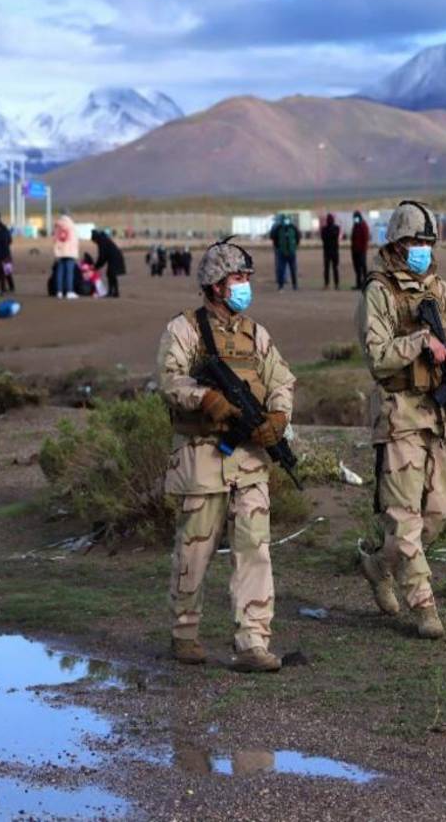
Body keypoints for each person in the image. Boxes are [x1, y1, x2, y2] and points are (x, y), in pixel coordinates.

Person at [156, 239, 296, 673]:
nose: (244, 287)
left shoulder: (256, 333)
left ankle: (253, 641)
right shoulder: (184, 330)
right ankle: (184, 632)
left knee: (255, 548)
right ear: (215, 285)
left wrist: (278, 415)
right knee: (194, 550)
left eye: (247, 279)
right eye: (237, 279)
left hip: (250, 462)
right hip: (201, 461)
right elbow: (169, 380)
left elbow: (281, 378)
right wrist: (206, 399)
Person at [354, 201, 446, 640]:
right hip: (400, 416)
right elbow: (377, 356)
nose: (423, 250)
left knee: (436, 515)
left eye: (428, 243)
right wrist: (419, 343)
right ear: (397, 244)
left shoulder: (440, 291)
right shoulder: (379, 292)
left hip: (443, 417)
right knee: (405, 518)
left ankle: (377, 566)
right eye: (415, 242)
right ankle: (424, 605)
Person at [90, 228, 126, 298]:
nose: (95, 243)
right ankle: (115, 292)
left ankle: (112, 292)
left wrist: (96, 266)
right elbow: (104, 257)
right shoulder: (103, 239)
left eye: (94, 241)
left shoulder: (101, 241)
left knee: (111, 274)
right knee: (111, 274)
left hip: (115, 258)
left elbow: (102, 256)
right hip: (116, 257)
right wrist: (97, 266)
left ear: (95, 238)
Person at [269, 214, 299, 291]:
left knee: (293, 269)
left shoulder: (292, 227)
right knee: (281, 269)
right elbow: (273, 237)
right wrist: (278, 247)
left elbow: (298, 236)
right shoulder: (278, 228)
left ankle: (294, 285)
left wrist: (294, 246)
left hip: (291, 252)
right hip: (281, 252)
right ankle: (281, 285)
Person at [320, 213, 341, 290]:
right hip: (329, 251)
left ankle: (335, 284)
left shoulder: (335, 228)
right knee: (327, 269)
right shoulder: (327, 229)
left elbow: (333, 236)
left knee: (334, 268)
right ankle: (328, 284)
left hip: (332, 251)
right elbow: (324, 238)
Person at [350, 210, 370, 290]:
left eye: (356, 218)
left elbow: (365, 239)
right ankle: (358, 284)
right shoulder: (355, 225)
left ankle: (365, 284)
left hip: (361, 251)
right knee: (357, 268)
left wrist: (363, 249)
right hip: (355, 251)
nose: (355, 219)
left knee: (362, 267)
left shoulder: (363, 226)